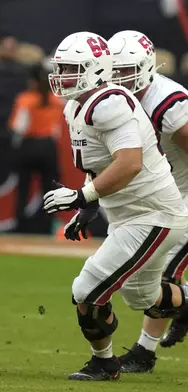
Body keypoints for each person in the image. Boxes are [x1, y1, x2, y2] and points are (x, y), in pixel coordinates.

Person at [45, 31, 188, 381]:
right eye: (61, 68)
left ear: (95, 69)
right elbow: (99, 165)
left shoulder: (110, 103)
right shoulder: (76, 105)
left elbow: (129, 163)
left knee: (87, 290)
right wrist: (88, 206)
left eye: (72, 68)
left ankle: (104, 363)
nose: (62, 76)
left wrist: (83, 197)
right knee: (142, 296)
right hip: (130, 213)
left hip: (154, 214)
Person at [107, 30, 188, 373]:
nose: (119, 79)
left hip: (183, 198)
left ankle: (144, 351)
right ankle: (145, 350)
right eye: (114, 71)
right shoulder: (108, 102)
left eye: (126, 71)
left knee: (167, 275)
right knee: (151, 275)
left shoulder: (167, 103)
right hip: (165, 198)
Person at [9, 65, 64, 233]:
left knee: (24, 188)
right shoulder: (56, 99)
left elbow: (19, 126)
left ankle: (20, 225)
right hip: (48, 146)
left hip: (29, 145)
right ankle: (47, 225)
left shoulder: (25, 99)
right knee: (49, 189)